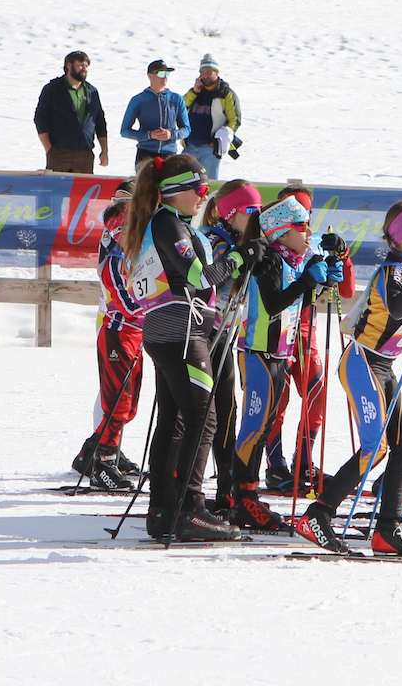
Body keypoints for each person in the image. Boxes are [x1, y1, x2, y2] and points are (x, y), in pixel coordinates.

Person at [295, 201, 402, 555]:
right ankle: (318, 514)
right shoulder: (394, 271)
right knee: (376, 447)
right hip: (362, 363)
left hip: (382, 365)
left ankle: (388, 531)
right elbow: (398, 308)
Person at [122, 154, 267, 541]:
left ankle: (164, 509)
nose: (205, 196)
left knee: (177, 420)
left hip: (171, 332)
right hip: (182, 334)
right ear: (174, 191)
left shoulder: (169, 223)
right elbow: (200, 279)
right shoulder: (168, 223)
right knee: (204, 420)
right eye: (200, 189)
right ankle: (190, 507)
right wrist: (240, 255)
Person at [229, 196, 340, 532]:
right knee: (253, 426)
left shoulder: (290, 258)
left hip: (279, 352)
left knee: (264, 427)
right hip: (258, 353)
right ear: (280, 232)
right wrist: (307, 281)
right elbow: (275, 303)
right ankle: (240, 498)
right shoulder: (270, 260)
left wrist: (317, 282)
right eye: (301, 226)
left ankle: (248, 495)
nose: (309, 232)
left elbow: (298, 303)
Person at [264, 186, 356, 495]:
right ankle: (275, 468)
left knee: (317, 397)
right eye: (301, 217)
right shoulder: (274, 249)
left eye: (309, 215)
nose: (308, 224)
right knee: (277, 403)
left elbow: (344, 291)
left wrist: (342, 258)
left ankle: (303, 463)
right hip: (278, 336)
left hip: (307, 335)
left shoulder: (313, 243)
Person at [70, 191, 143, 490]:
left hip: (137, 335)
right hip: (118, 334)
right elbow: (130, 305)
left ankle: (91, 452)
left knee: (131, 405)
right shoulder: (114, 261)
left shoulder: (138, 257)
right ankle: (104, 462)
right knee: (117, 403)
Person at [199, 179, 264, 511]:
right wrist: (243, 260)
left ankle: (226, 487)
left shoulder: (241, 239)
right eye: (252, 210)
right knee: (205, 412)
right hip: (204, 334)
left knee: (227, 412)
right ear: (232, 213)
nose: (258, 216)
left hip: (226, 335)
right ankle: (184, 486)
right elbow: (208, 278)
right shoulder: (215, 240)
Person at [34, 50, 109, 173]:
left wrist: (104, 151)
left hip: (85, 153)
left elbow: (100, 121)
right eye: (80, 65)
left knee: (83, 191)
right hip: (59, 152)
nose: (84, 69)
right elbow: (40, 118)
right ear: (69, 66)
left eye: (86, 65)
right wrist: (49, 148)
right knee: (57, 190)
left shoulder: (92, 91)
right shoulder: (53, 89)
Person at [120, 60, 190, 169]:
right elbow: (124, 131)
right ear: (150, 76)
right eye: (161, 74)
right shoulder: (138, 100)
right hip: (145, 154)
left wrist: (171, 134)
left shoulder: (176, 99)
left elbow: (186, 129)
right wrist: (149, 135)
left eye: (167, 74)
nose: (165, 77)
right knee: (145, 186)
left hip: (169, 155)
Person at [183, 54, 241, 180]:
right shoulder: (195, 92)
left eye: (209, 72)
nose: (205, 75)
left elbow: (234, 119)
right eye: (203, 72)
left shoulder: (225, 93)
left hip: (209, 148)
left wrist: (224, 135)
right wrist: (194, 92)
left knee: (207, 183)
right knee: (184, 183)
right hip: (190, 146)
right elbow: (180, 109)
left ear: (216, 72)